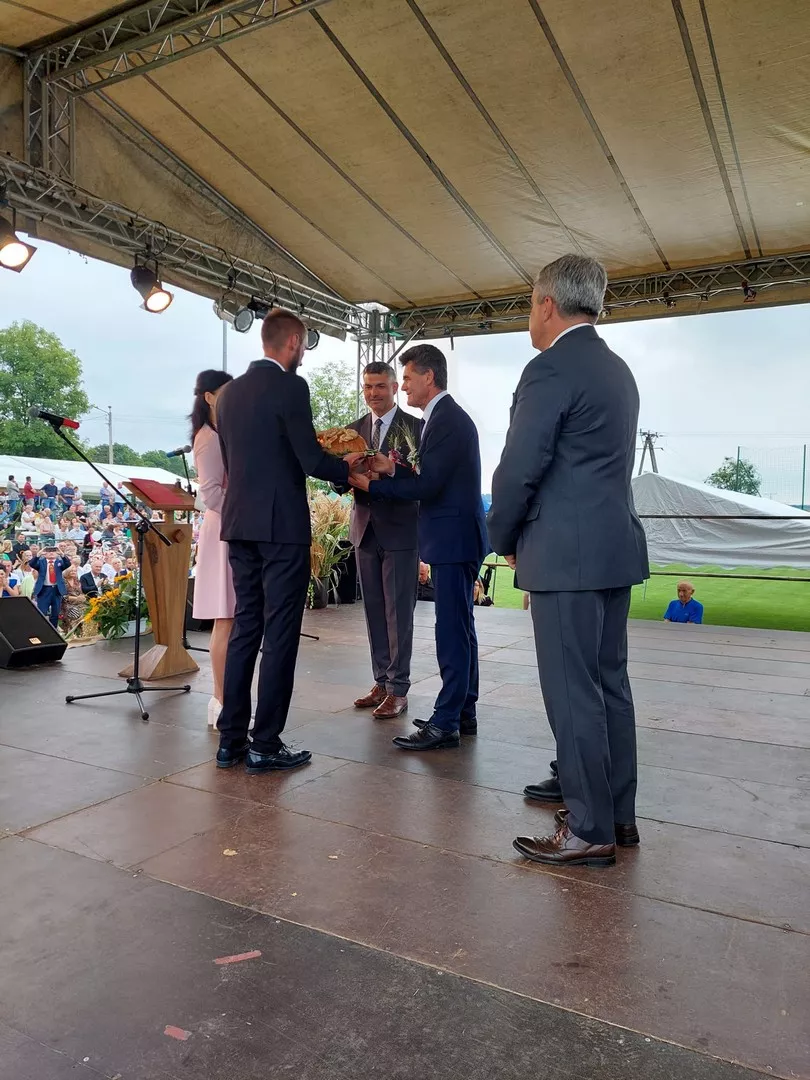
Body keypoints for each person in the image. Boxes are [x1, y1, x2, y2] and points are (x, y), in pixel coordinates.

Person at [486, 254, 649, 869]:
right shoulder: (616, 370)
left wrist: (502, 535)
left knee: (572, 691)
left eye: (531, 304)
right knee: (610, 687)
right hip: (612, 550)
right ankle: (618, 816)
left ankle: (587, 828)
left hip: (564, 555)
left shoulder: (550, 368)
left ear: (547, 304)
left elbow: (520, 467)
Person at [216, 308, 367, 774]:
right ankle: (265, 744)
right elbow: (309, 459)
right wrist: (347, 466)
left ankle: (231, 741)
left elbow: (235, 461)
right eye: (304, 346)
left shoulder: (228, 394)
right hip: (281, 527)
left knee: (246, 627)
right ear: (294, 343)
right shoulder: (290, 386)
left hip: (239, 523)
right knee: (280, 632)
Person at [350, 344, 488, 751]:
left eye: (407, 378)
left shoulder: (445, 420)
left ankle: (446, 722)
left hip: (452, 539)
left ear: (429, 377)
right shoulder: (443, 417)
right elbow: (430, 474)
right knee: (460, 628)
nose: (405, 385)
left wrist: (375, 485)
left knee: (452, 632)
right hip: (453, 537)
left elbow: (429, 485)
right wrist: (392, 468)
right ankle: (462, 710)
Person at [336, 361, 422, 720]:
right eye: (368, 386)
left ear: (394, 387)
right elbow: (337, 481)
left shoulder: (415, 428)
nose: (373, 393)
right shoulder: (351, 431)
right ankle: (382, 682)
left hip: (401, 529)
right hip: (364, 529)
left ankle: (399, 689)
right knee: (373, 610)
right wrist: (341, 473)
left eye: (380, 386)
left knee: (398, 613)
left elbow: (421, 479)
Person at [190, 368, 236, 729]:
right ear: (209, 396)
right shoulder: (207, 438)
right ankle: (221, 698)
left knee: (234, 618)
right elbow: (210, 494)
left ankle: (226, 697)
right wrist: (246, 511)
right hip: (224, 529)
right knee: (226, 617)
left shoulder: (224, 432)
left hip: (232, 527)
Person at [31, 544, 71, 628]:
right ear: (45, 553)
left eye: (53, 551)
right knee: (42, 612)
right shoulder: (41, 562)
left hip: (56, 590)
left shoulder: (59, 562)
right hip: (44, 590)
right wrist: (38, 554)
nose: (51, 553)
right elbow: (32, 564)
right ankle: (42, 630)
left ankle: (54, 630)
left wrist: (62, 554)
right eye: (48, 551)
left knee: (55, 613)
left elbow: (68, 564)